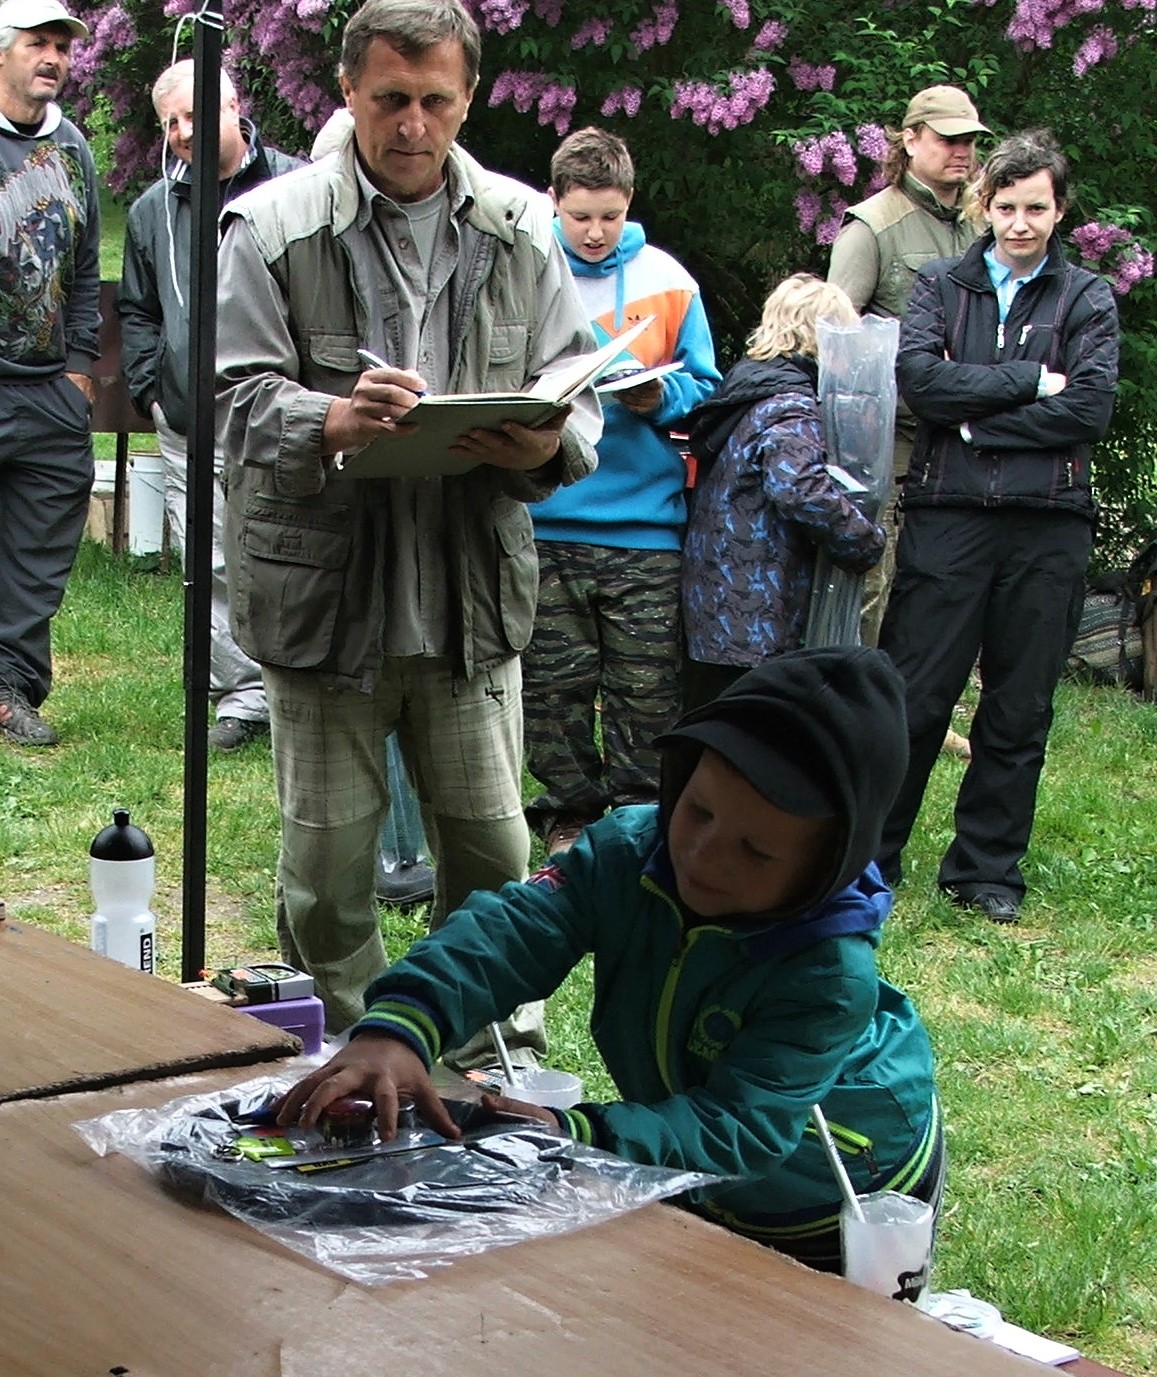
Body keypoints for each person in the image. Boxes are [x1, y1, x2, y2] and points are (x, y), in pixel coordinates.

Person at [277, 646, 944, 1274]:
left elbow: (740, 1127)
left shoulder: (827, 974)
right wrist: (399, 1027)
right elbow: (509, 935)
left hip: (838, 1199)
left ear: (824, 869)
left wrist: (579, 1132)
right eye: (698, 811)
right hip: (687, 1166)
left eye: (756, 851)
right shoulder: (625, 853)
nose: (705, 855)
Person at [214, 0, 600, 1050]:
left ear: (468, 98)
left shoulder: (522, 225)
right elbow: (227, 397)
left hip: (467, 590)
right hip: (323, 599)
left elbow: (579, 389)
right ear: (348, 91)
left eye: (436, 100)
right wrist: (329, 420)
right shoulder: (271, 226)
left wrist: (542, 443)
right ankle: (349, 1056)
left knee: (492, 853)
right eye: (390, 99)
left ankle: (469, 1052)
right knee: (326, 870)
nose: (413, 125)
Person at [877, 130, 1119, 923]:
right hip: (948, 515)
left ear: (1058, 211)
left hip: (1047, 522)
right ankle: (871, 857)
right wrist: (1028, 382)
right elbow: (921, 382)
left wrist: (978, 421)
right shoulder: (939, 285)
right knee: (915, 696)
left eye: (1035, 209)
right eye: (1006, 206)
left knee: (1018, 706)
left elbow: (1087, 408)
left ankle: (984, 871)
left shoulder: (1085, 297)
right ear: (984, 205)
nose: (1019, 223)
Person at [522, 126, 720, 856]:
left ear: (629, 203)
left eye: (609, 215)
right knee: (551, 688)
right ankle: (567, 817)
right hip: (545, 516)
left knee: (646, 688)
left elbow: (706, 386)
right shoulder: (526, 267)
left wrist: (659, 397)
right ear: (554, 201)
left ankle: (641, 819)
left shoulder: (670, 281)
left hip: (643, 527)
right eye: (580, 216)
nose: (595, 231)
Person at [119, 61, 302, 752]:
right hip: (188, 418)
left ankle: (300, 684)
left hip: (280, 410)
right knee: (213, 558)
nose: (183, 131)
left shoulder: (293, 186)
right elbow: (138, 309)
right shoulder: (152, 210)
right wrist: (152, 389)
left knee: (293, 550)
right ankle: (242, 696)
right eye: (170, 122)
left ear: (233, 106)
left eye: (195, 113)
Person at [828, 85, 989, 652]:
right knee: (874, 586)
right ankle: (856, 697)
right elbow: (835, 342)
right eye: (948, 139)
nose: (961, 151)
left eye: (969, 140)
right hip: (889, 443)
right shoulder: (871, 226)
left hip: (968, 440)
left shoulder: (985, 224)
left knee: (946, 588)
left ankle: (922, 700)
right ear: (912, 140)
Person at [680, 273, 884, 711]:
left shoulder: (747, 389)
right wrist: (864, 539)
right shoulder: (790, 403)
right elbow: (800, 489)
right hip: (757, 604)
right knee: (752, 729)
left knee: (709, 720)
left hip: (715, 597)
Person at [0, 0, 99, 748]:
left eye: (62, 47)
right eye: (38, 43)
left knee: (37, 561)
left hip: (49, 391)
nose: (54, 59)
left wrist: (81, 369)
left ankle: (9, 692)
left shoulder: (73, 148)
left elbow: (87, 266)